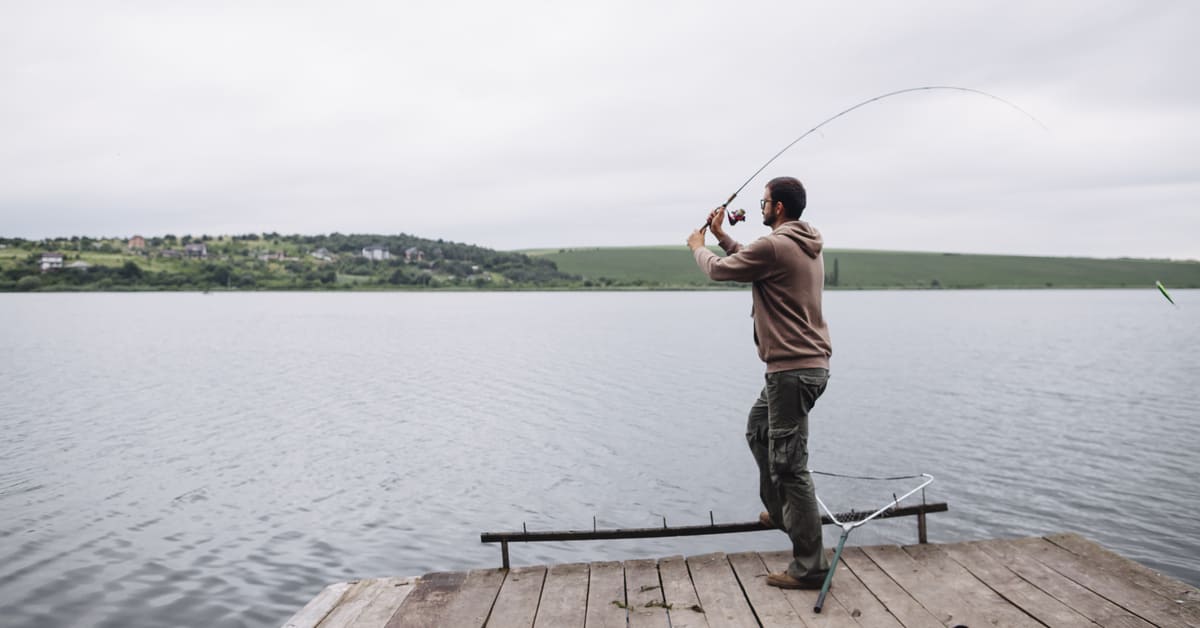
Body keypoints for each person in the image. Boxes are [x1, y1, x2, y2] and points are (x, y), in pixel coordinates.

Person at [686, 176, 833, 590]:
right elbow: (754, 259)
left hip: (791, 371)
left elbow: (720, 271)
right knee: (758, 430)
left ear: (779, 208)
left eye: (764, 202)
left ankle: (810, 567)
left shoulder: (776, 245)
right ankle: (781, 511)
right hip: (801, 368)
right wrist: (722, 235)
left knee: (790, 466)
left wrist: (700, 247)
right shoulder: (801, 244)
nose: (762, 207)